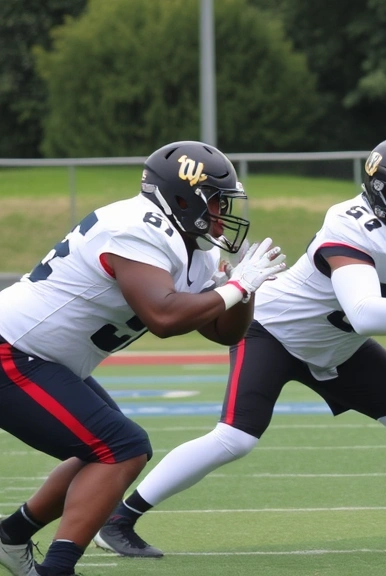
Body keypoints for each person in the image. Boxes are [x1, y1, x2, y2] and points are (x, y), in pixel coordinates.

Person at [93, 136, 386, 559]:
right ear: (379, 193)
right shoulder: (351, 224)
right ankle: (118, 520)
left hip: (338, 345)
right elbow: (364, 313)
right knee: (235, 438)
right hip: (274, 332)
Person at [0, 141, 285, 576]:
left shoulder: (196, 247)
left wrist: (245, 292)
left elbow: (223, 331)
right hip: (13, 349)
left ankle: (13, 535)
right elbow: (164, 317)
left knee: (107, 449)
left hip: (43, 357)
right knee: (121, 448)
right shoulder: (136, 227)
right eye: (216, 201)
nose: (222, 213)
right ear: (183, 198)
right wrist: (235, 288)